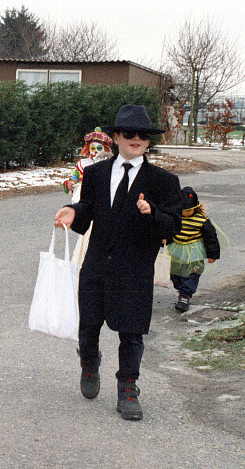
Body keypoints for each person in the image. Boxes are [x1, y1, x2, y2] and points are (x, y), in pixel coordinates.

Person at [54, 105, 182, 421]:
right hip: (96, 264)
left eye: (143, 135)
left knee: (132, 333)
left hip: (134, 270)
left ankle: (127, 387)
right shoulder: (96, 173)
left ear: (149, 141)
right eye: (129, 133)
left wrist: (152, 212)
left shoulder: (164, 181)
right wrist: (73, 214)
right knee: (88, 326)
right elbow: (86, 208)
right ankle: (88, 362)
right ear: (116, 137)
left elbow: (174, 226)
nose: (136, 139)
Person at [63, 127, 113, 265]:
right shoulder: (82, 165)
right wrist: (70, 184)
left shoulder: (110, 163)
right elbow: (72, 180)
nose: (95, 151)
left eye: (99, 147)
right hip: (84, 205)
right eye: (92, 148)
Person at [168, 186, 221, 313]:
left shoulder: (202, 220)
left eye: (189, 211)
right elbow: (169, 229)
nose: (185, 213)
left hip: (194, 251)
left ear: (196, 208)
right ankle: (182, 290)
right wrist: (165, 238)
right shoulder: (176, 217)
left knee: (192, 274)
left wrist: (212, 254)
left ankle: (185, 296)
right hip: (177, 249)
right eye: (183, 210)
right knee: (176, 274)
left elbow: (210, 237)